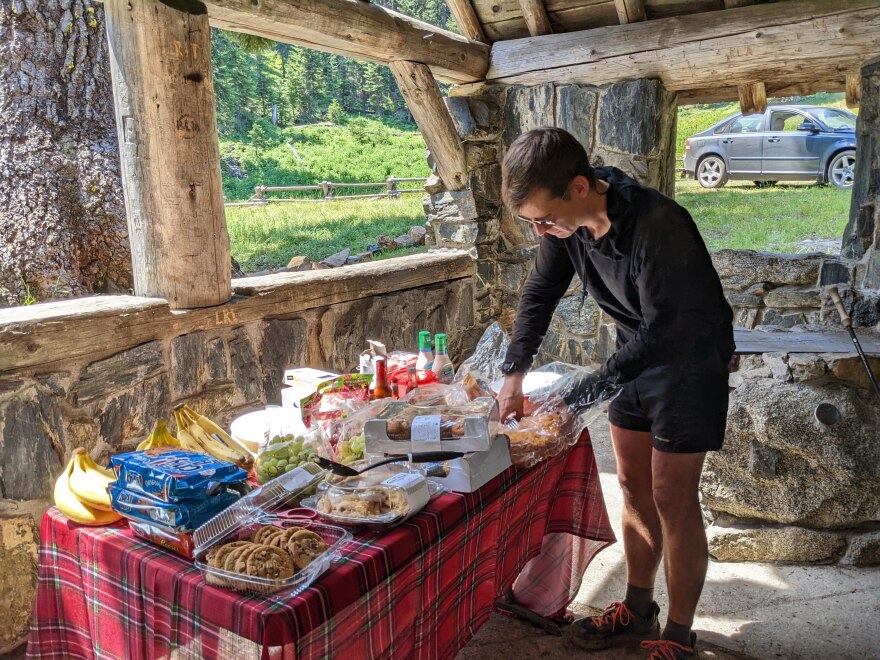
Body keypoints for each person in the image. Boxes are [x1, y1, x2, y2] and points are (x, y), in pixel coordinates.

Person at [497, 127, 734, 660]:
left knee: (672, 497)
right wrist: (514, 371)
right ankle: (638, 606)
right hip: (637, 359)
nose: (541, 228)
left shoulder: (658, 225)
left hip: (689, 362)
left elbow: (667, 331)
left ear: (580, 186)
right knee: (631, 485)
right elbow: (539, 291)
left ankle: (677, 635)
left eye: (543, 217)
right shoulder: (566, 228)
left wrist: (582, 394)